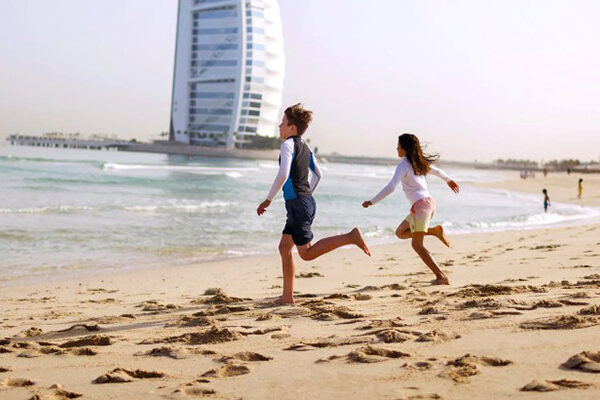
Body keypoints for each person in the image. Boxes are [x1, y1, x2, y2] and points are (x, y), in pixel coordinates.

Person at [256, 104, 371, 305]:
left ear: (292, 127)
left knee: (307, 253)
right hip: (302, 203)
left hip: (298, 205)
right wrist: (307, 195)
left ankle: (351, 237)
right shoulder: (306, 147)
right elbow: (318, 174)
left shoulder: (287, 145)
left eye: (283, 122)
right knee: (284, 247)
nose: (279, 126)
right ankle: (287, 297)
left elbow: (283, 174)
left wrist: (268, 199)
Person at [362, 133, 459, 285]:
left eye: (398, 146)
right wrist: (449, 180)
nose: (396, 149)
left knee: (417, 245)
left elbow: (391, 187)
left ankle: (441, 276)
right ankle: (434, 231)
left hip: (421, 207)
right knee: (400, 233)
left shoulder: (403, 165)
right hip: (428, 204)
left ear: (405, 148)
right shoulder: (418, 163)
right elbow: (437, 171)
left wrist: (372, 201)